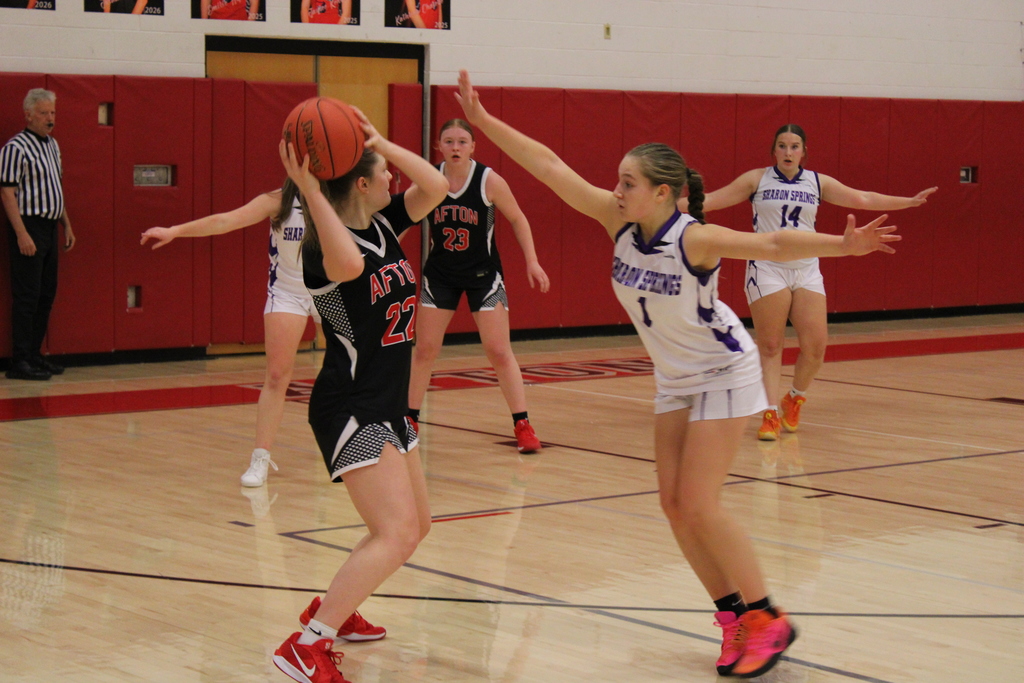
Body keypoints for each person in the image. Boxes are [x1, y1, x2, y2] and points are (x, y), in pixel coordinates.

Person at [453, 70, 901, 679]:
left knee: (699, 502)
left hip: (724, 369)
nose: (615, 190)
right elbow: (550, 166)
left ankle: (768, 617)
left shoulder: (695, 238)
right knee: (672, 505)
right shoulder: (616, 222)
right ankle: (733, 621)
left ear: (662, 193)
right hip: (675, 378)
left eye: (628, 183)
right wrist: (483, 123)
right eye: (617, 181)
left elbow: (771, 246)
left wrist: (842, 248)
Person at [271, 109, 447, 683]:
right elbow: (348, 263)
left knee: (415, 527)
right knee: (394, 533)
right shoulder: (326, 247)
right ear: (362, 184)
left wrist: (382, 142)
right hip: (349, 405)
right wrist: (307, 187)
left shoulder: (384, 225)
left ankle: (334, 614)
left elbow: (439, 185)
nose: (394, 179)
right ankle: (306, 644)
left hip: (387, 401)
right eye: (382, 170)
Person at [694, 125, 936, 441]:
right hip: (768, 266)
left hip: (806, 268)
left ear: (804, 151)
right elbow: (709, 202)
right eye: (782, 146)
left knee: (816, 347)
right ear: (774, 151)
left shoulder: (817, 182)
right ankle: (768, 414)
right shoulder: (756, 179)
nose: (788, 152)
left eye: (795, 146)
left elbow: (863, 198)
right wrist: (664, 208)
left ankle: (793, 398)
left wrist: (909, 202)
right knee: (770, 345)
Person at [142, 181, 316, 489]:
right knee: (277, 375)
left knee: (348, 370)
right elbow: (226, 220)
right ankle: (260, 458)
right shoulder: (278, 200)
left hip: (331, 288)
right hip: (288, 291)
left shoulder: (341, 194)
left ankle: (348, 447)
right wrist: (175, 231)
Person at [407, 119, 550, 453]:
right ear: (438, 147)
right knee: (425, 350)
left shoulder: (488, 181)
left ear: (473, 147)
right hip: (440, 275)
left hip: (483, 277)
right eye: (449, 141)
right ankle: (408, 420)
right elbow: (403, 218)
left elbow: (518, 218)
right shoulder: (430, 180)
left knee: (499, 351)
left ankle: (523, 424)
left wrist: (532, 260)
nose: (455, 147)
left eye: (462, 141)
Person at [1, 88, 75, 381]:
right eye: (44, 113)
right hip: (28, 225)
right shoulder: (15, 148)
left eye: (53, 113)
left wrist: (66, 224)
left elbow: (56, 189)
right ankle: (19, 361)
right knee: (27, 296)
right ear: (28, 114)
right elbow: (7, 192)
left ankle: (34, 354)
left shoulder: (53, 145)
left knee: (46, 295)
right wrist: (21, 234)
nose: (50, 118)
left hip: (49, 225)